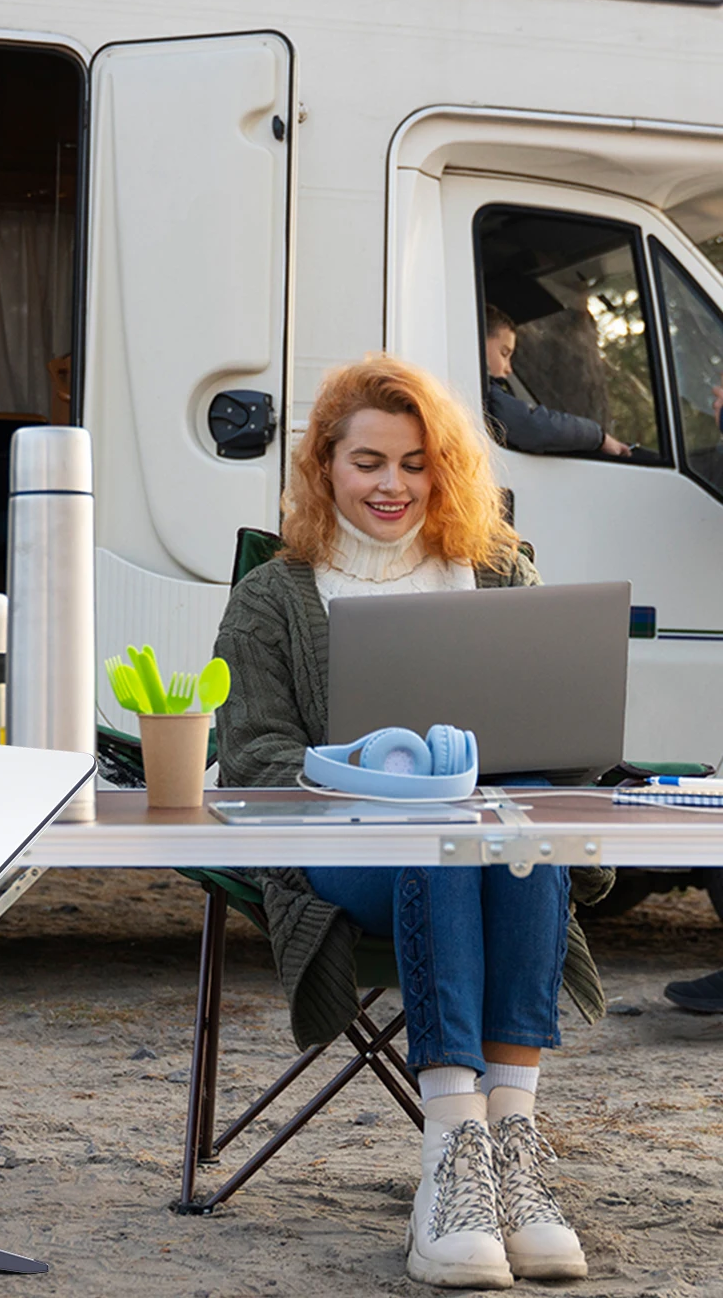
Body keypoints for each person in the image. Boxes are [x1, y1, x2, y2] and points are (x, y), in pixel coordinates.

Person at [214, 354, 609, 1290]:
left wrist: (575, 732)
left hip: (497, 850)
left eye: (415, 463)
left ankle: (511, 1150)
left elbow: (566, 747)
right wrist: (375, 771)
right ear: (324, 466)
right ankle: (451, 1163)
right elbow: (253, 756)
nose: (392, 484)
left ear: (444, 469)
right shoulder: (275, 595)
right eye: (368, 462)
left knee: (515, 835)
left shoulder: (500, 573)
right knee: (438, 833)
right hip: (351, 855)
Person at [484, 304, 630, 458]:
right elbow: (531, 427)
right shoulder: (488, 396)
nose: (509, 369)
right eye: (504, 353)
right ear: (478, 340)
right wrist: (599, 437)